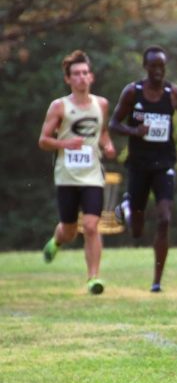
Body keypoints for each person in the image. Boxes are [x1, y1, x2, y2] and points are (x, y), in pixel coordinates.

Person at [109, 45, 177, 293]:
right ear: (146, 67)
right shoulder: (132, 92)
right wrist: (134, 131)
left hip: (164, 164)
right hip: (138, 164)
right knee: (136, 231)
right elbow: (113, 123)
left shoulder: (175, 94)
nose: (158, 71)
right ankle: (128, 204)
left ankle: (157, 280)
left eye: (162, 66)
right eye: (154, 66)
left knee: (165, 219)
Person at [38, 50, 116, 294]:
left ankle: (93, 278)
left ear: (91, 77)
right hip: (67, 176)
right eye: (76, 74)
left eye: (85, 73)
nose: (81, 78)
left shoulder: (101, 104)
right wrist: (64, 144)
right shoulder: (59, 107)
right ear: (68, 79)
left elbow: (102, 133)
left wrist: (108, 145)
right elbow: (43, 140)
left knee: (92, 226)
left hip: (92, 175)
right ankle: (57, 240)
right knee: (70, 230)